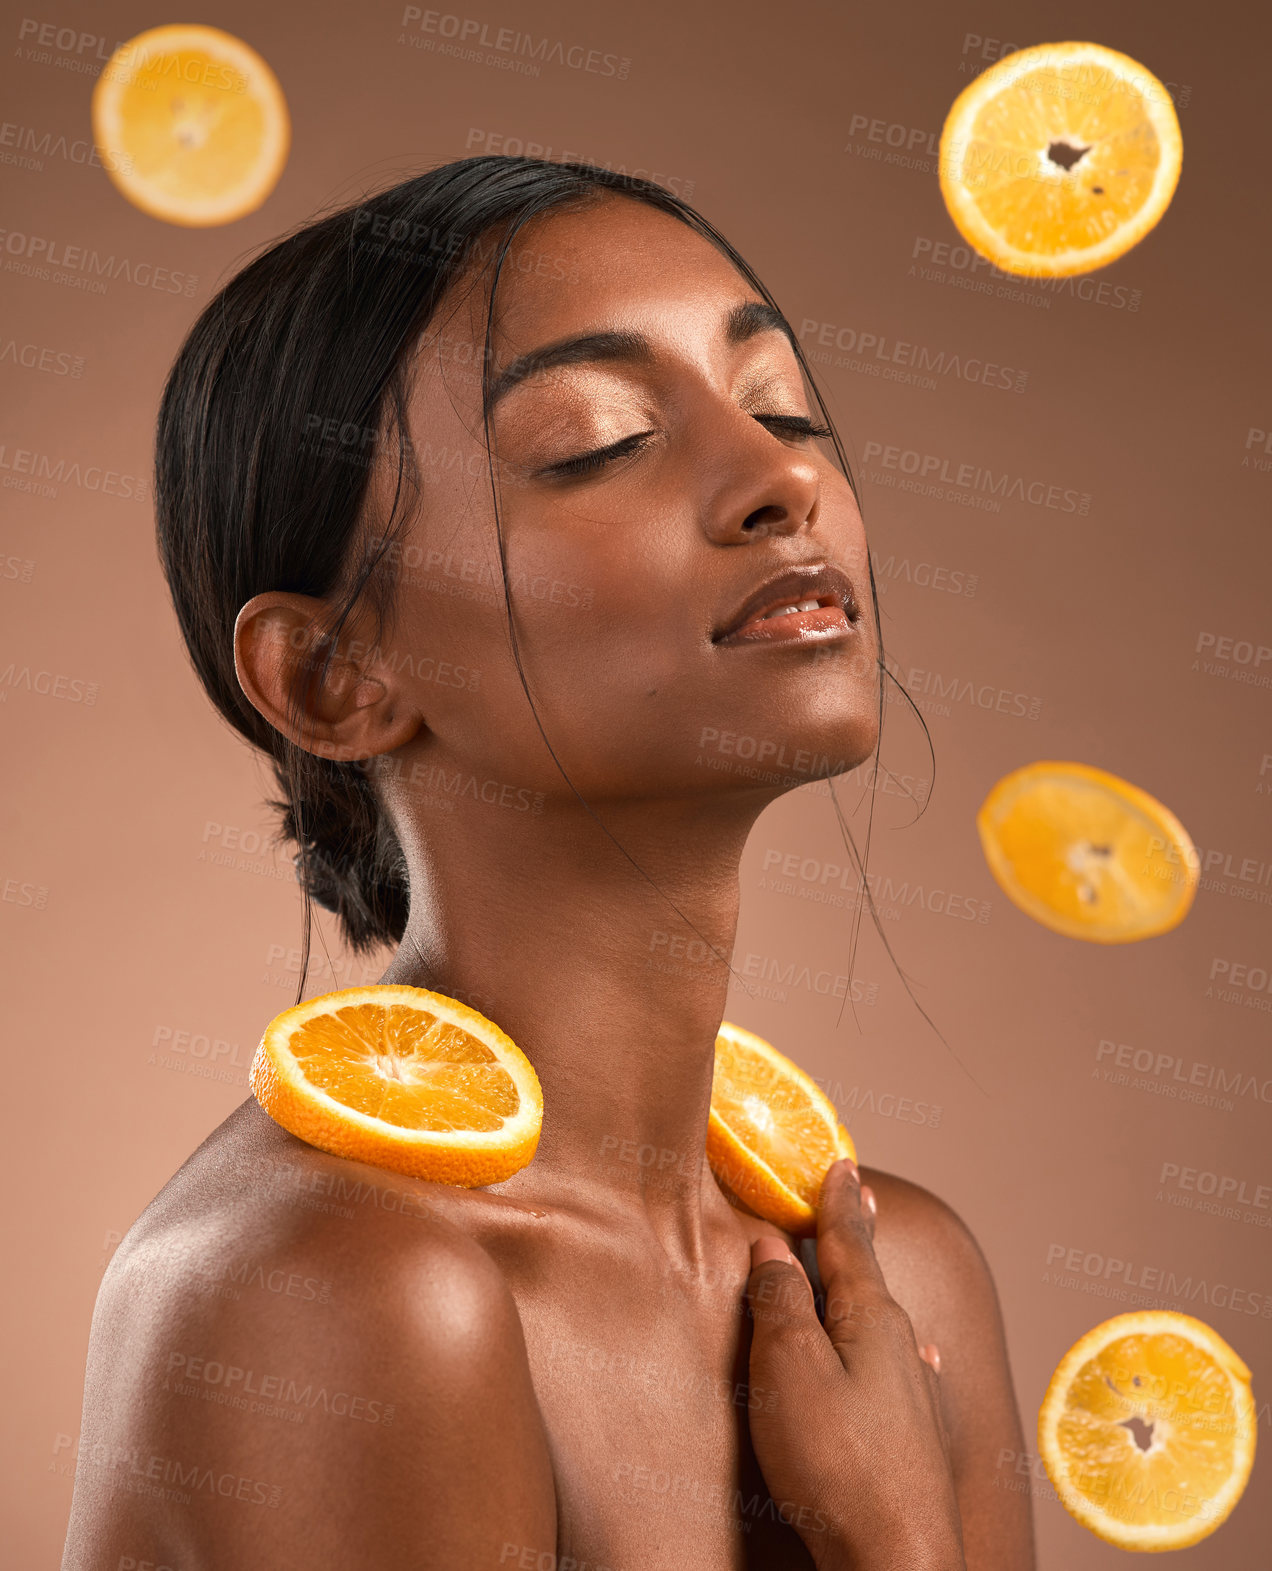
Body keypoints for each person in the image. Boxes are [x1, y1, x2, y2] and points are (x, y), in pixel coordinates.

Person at [62, 156, 1034, 1569]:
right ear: (335, 677)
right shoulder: (329, 1294)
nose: (783, 479)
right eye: (595, 439)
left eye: (783, 406)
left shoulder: (892, 1281)